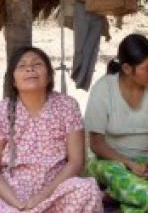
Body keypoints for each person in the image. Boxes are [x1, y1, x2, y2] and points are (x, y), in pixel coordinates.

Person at [0, 46, 102, 212]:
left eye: (37, 64)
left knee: (86, 190)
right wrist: (18, 204)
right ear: (13, 80)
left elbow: (76, 162)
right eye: (22, 66)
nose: (30, 68)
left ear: (48, 77)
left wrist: (42, 196)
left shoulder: (67, 106)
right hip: (12, 196)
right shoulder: (2, 111)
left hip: (56, 190)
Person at [85, 34, 148, 212]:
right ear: (126, 68)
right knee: (116, 175)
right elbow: (96, 143)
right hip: (112, 162)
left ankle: (123, 197)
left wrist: (146, 165)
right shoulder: (103, 89)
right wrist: (129, 164)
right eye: (147, 67)